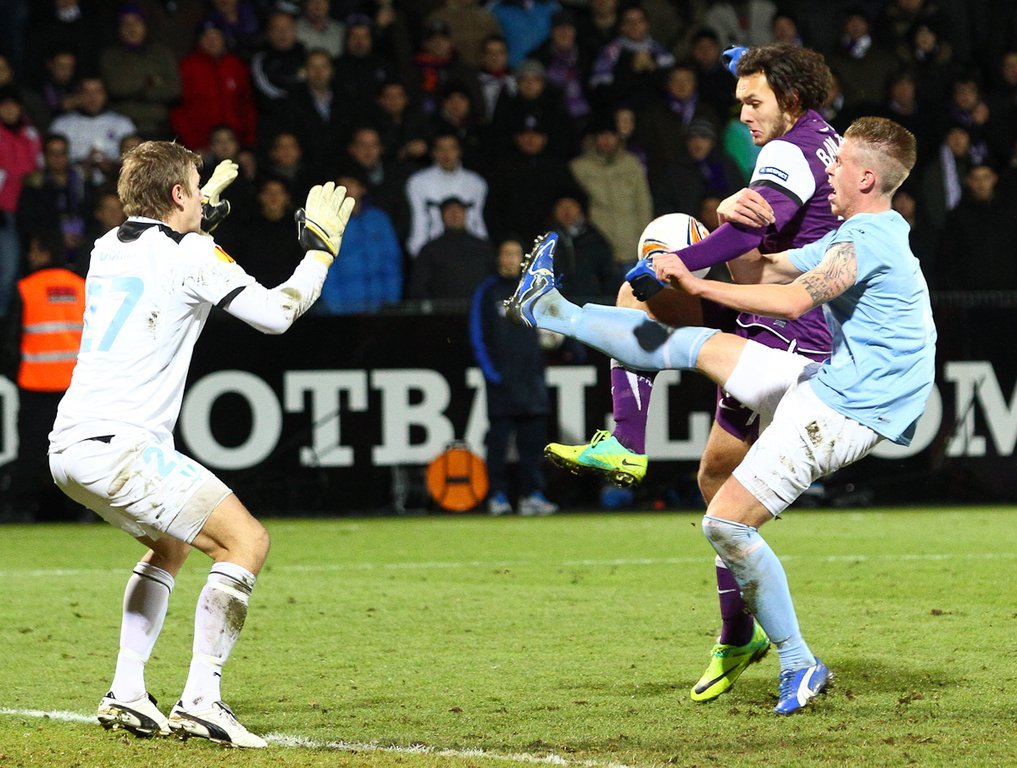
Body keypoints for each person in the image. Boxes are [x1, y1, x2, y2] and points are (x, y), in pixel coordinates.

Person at [506, 116, 935, 714]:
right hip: (832, 383)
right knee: (694, 345)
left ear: (866, 177)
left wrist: (697, 285)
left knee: (726, 523)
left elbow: (791, 301)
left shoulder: (870, 240)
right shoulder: (854, 235)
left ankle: (799, 662)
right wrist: (731, 223)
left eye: (838, 164)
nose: (828, 171)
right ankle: (552, 310)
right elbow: (767, 271)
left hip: (846, 409)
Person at [547, 43, 842, 702]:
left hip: (787, 337)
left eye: (753, 102)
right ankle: (739, 633)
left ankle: (626, 437)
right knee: (714, 477)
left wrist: (683, 263)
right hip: (787, 325)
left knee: (662, 250)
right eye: (739, 102)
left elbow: (748, 233)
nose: (743, 116)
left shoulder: (788, 151)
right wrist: (757, 62)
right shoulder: (824, 136)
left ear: (790, 99)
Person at [47, 141, 354, 747]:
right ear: (177, 194)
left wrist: (197, 206)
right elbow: (275, 314)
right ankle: (201, 700)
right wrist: (319, 254)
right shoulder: (191, 253)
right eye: (193, 183)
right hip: (124, 447)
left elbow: (161, 243)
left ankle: (127, 692)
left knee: (171, 546)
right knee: (246, 542)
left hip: (71, 446)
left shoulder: (105, 247)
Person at [469, 237, 558, 517]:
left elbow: (554, 327)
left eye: (516, 254)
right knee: (498, 443)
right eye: (506, 254)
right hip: (502, 381)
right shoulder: (487, 291)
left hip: (532, 381)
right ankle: (497, 495)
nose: (511, 259)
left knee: (532, 444)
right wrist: (492, 373)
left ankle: (532, 495)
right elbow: (477, 336)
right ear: (499, 258)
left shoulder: (536, 290)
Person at [1, 230, 86, 522]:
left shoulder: (26, 288)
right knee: (79, 452)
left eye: (34, 250)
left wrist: (18, 372)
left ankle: (21, 509)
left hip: (35, 385)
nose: (29, 256)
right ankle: (83, 511)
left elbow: (9, 340)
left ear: (44, 253)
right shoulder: (83, 288)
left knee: (31, 451)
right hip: (75, 388)